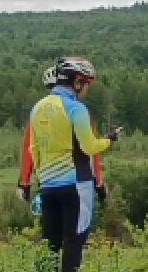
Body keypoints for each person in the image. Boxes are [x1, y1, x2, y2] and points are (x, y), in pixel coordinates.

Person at [27, 56, 121, 272]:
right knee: (74, 240)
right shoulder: (75, 108)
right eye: (87, 83)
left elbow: (33, 149)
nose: (87, 89)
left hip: (48, 186)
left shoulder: (38, 108)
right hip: (76, 185)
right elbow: (90, 146)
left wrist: (39, 178)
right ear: (77, 82)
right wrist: (110, 140)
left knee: (50, 242)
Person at [18, 66, 108, 206]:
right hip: (77, 182)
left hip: (48, 182)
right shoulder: (77, 111)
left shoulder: (39, 111)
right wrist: (99, 183)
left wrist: (24, 182)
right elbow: (92, 150)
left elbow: (29, 148)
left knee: (53, 227)